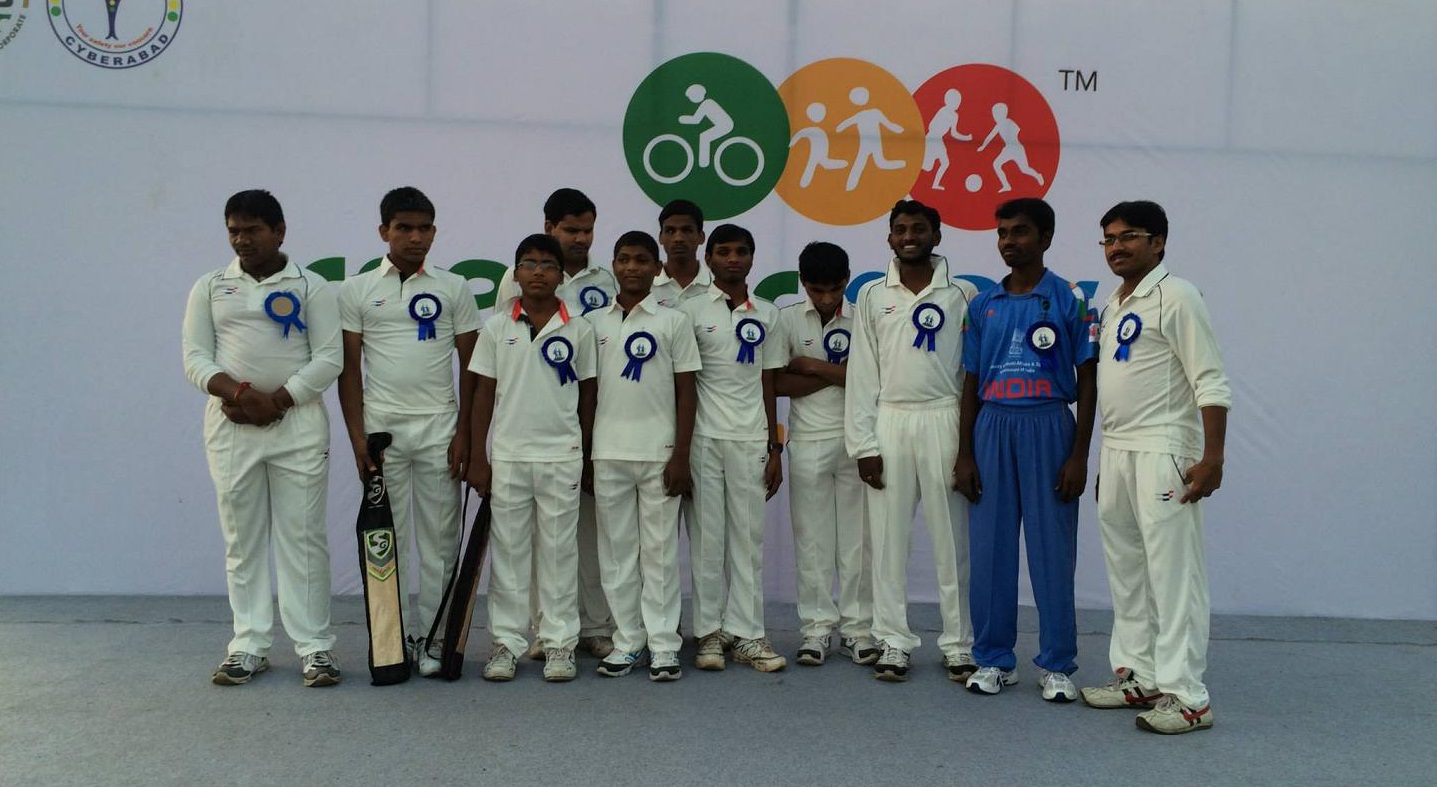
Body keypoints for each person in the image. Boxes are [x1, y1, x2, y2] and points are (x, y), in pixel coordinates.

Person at [182, 189, 343, 687]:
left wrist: (277, 401)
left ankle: (315, 649)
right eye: (234, 229)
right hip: (232, 426)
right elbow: (194, 359)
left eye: (252, 230)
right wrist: (241, 393)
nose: (242, 239)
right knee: (242, 540)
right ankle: (248, 645)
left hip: (296, 425)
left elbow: (329, 357)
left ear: (279, 231)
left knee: (303, 540)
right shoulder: (210, 286)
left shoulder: (311, 285)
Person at [1081, 201, 1230, 734]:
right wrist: (1106, 455)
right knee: (1127, 571)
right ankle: (1138, 676)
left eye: (1128, 237)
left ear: (1159, 242)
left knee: (1174, 577)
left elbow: (1210, 380)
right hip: (1118, 450)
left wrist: (1211, 457)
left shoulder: (1179, 295)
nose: (1116, 247)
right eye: (1108, 239)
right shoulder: (1112, 301)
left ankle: (1189, 698)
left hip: (1166, 449)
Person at [953, 198, 1096, 701]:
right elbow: (971, 381)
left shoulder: (1068, 299)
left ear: (1046, 238)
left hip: (1049, 426)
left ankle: (1057, 663)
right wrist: (965, 452)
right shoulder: (983, 304)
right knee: (990, 549)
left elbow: (1089, 377)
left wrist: (1079, 454)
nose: (1008, 241)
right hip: (992, 427)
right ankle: (994, 658)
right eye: (1002, 233)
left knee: (1052, 551)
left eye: (1020, 232)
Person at [337, 187, 481, 677]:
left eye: (425, 229)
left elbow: (472, 368)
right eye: (404, 228)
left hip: (441, 428)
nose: (416, 237)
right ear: (384, 232)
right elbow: (349, 370)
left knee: (441, 540)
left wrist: (465, 434)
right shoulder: (356, 290)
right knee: (387, 540)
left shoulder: (454, 286)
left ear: (435, 232)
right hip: (383, 433)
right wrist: (358, 439)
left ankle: (436, 637)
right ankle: (392, 641)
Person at [845, 199, 979, 682]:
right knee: (887, 540)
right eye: (899, 229)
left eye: (918, 228)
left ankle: (958, 643)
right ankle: (893, 641)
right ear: (889, 238)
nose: (908, 236)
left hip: (943, 417)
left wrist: (967, 448)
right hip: (890, 421)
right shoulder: (872, 296)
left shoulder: (962, 293)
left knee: (952, 540)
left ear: (937, 235)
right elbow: (862, 374)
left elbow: (971, 375)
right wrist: (864, 445)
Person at [466, 234, 597, 683]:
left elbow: (589, 397)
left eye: (547, 265)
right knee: (509, 552)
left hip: (562, 454)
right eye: (528, 263)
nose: (538, 272)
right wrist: (480, 458)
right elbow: (483, 394)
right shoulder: (496, 327)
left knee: (560, 551)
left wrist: (588, 452)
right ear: (515, 273)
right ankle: (506, 642)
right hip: (509, 455)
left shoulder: (579, 327)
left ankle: (559, 643)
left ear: (562, 276)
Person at [494, 188, 617, 660]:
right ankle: (545, 630)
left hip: (596, 414)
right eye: (571, 230)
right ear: (549, 228)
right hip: (538, 423)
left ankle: (595, 626)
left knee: (587, 533)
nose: (581, 238)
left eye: (588, 230)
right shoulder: (518, 278)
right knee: (536, 540)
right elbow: (509, 349)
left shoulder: (605, 279)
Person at [585, 231, 701, 681]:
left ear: (658, 269)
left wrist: (681, 455)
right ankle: (627, 641)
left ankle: (664, 645)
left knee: (658, 554)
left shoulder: (673, 322)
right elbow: (588, 395)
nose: (632, 268)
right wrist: (587, 454)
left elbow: (686, 391)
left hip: (660, 454)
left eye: (641, 260)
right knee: (616, 554)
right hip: (608, 453)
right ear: (613, 265)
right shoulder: (594, 323)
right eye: (623, 259)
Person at [678, 224, 787, 672]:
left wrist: (775, 446)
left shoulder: (767, 313)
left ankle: (747, 633)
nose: (732, 259)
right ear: (709, 259)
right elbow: (680, 384)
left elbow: (770, 381)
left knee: (747, 540)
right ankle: (708, 634)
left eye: (741, 251)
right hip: (703, 438)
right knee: (706, 541)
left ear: (752, 257)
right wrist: (679, 449)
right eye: (723, 252)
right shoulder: (688, 309)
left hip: (750, 439)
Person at [774, 241, 876, 667]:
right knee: (812, 542)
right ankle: (815, 630)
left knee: (857, 543)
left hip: (858, 440)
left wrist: (813, 367)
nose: (827, 298)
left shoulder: (865, 318)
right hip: (809, 441)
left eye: (835, 288)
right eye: (817, 290)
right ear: (804, 284)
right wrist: (844, 375)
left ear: (848, 280)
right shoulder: (787, 319)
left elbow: (875, 378)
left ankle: (859, 630)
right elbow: (778, 382)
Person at [651, 199, 713, 309]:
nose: (678, 238)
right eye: (670, 231)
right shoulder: (647, 286)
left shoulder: (716, 286)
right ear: (660, 238)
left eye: (687, 230)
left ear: (701, 237)